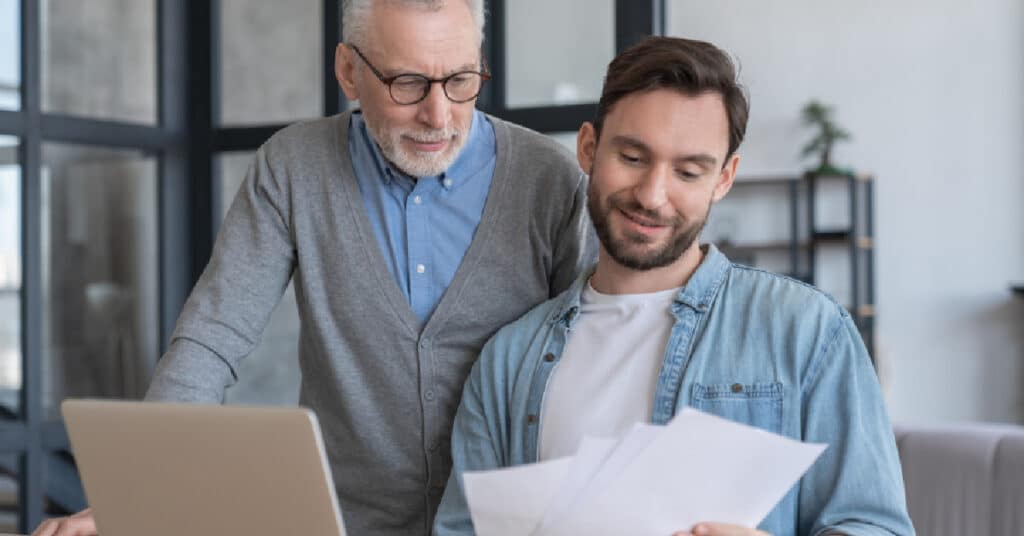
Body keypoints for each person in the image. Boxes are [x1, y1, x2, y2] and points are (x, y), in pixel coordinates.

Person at [32, 1, 594, 535]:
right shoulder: (293, 167)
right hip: (341, 524)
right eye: (407, 83)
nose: (438, 115)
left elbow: (589, 358)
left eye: (461, 80)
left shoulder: (549, 178)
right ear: (349, 71)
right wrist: (138, 493)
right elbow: (213, 337)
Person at [433, 36, 915, 536]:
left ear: (724, 178)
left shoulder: (807, 331)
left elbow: (876, 527)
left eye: (688, 171)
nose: (652, 196)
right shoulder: (508, 361)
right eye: (633, 158)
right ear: (589, 148)